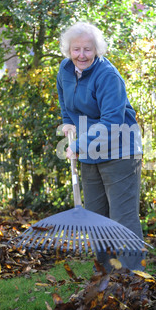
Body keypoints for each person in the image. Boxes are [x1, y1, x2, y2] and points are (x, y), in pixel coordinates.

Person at [56, 21, 145, 272]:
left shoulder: (107, 76)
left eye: (87, 49)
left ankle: (132, 277)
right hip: (88, 151)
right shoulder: (65, 69)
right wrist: (66, 123)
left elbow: (112, 122)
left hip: (120, 150)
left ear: (97, 50)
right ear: (68, 50)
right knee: (96, 215)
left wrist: (79, 145)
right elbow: (65, 100)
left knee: (122, 217)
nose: (81, 55)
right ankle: (105, 274)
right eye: (76, 49)